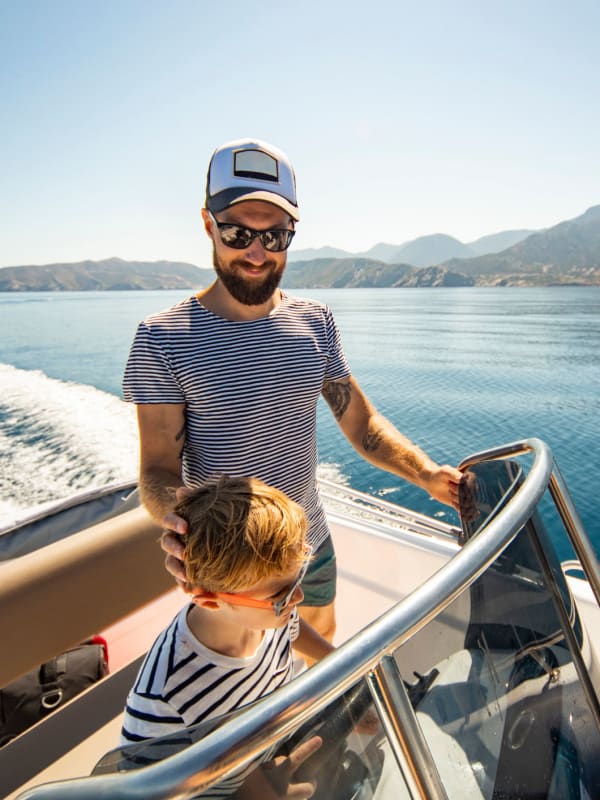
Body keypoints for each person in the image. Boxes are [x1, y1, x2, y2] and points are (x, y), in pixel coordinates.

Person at [122, 137, 464, 643]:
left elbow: (362, 424)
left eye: (275, 235)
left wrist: (429, 475)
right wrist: (180, 520)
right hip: (230, 565)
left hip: (310, 540)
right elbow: (156, 470)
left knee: (320, 645)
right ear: (207, 225)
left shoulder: (316, 322)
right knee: (243, 675)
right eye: (237, 232)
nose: (257, 253)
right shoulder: (163, 338)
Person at [120, 475, 332, 799]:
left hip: (265, 752)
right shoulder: (166, 695)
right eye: (282, 594)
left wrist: (336, 660)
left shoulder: (270, 619)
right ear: (209, 599)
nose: (299, 597)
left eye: (298, 577)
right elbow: (148, 791)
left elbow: (292, 631)